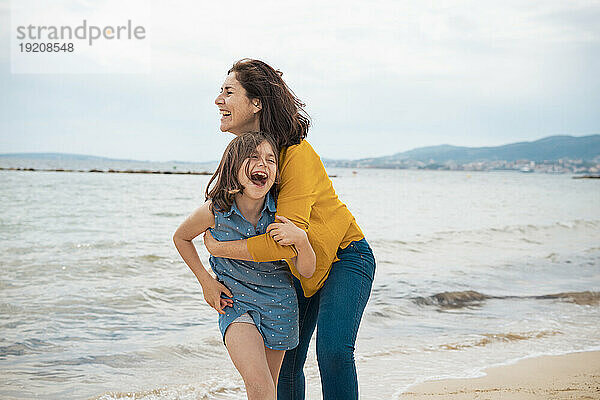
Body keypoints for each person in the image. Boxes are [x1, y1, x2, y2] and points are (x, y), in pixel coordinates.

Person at [203, 59, 376, 400]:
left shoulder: (296, 154)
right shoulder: (251, 160)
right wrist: (209, 279)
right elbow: (228, 222)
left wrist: (219, 249)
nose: (218, 100)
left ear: (257, 103)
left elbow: (283, 242)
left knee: (334, 351)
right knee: (287, 361)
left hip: (345, 257)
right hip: (298, 269)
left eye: (228, 92)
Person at [173, 131, 316, 400]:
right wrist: (206, 282)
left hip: (280, 306)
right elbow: (181, 237)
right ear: (233, 167)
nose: (263, 163)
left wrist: (303, 241)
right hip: (235, 304)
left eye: (270, 159)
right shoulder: (215, 211)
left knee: (267, 389)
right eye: (253, 157)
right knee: (260, 386)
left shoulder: (280, 213)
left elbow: (306, 270)